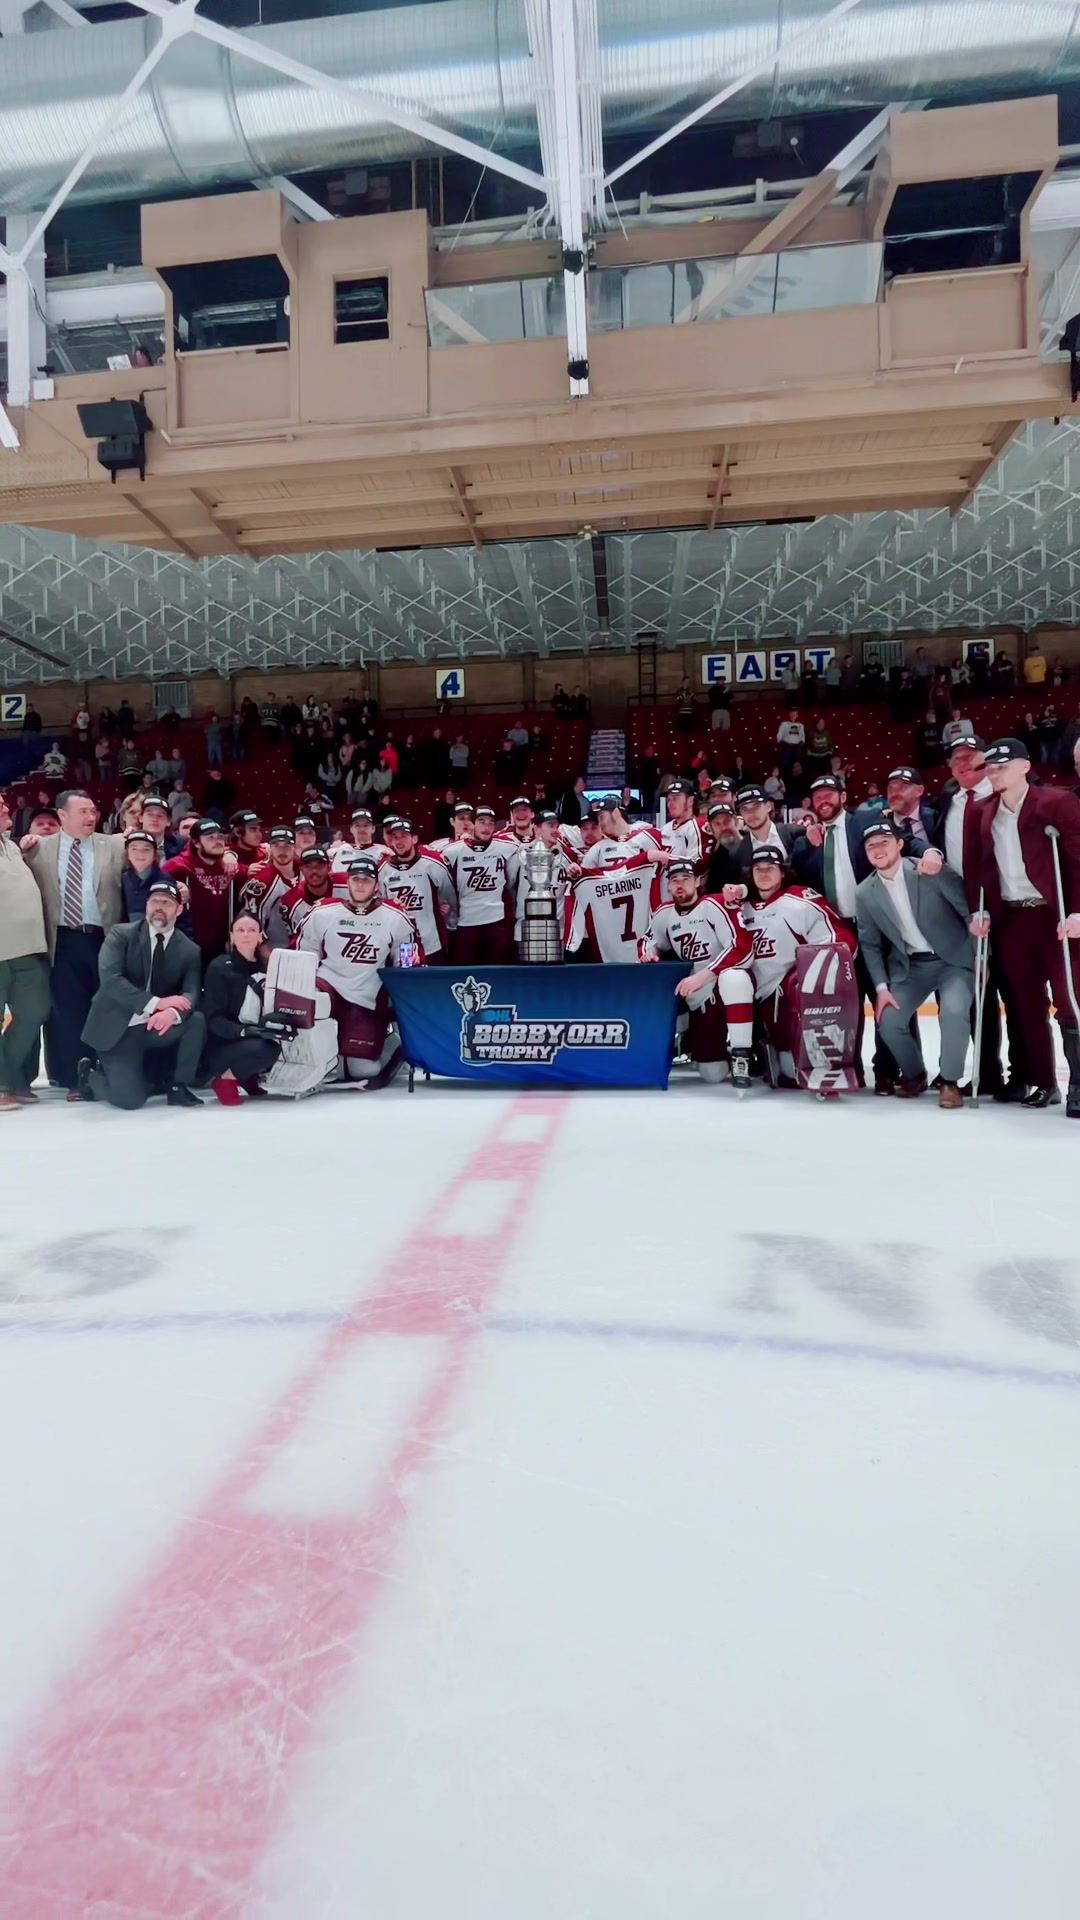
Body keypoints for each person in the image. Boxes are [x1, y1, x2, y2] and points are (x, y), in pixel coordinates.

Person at [966, 737, 1080, 1114]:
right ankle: (1045, 1082)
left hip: (1055, 914)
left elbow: (1079, 862)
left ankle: (1078, 1082)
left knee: (1070, 999)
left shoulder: (1058, 803)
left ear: (1025, 767)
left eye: (1001, 766)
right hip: (1013, 918)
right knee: (1025, 1004)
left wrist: (1078, 911)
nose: (994, 773)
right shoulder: (982, 812)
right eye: (990, 768)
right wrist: (977, 910)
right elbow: (978, 868)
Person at [855, 818, 976, 1109]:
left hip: (953, 959)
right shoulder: (864, 892)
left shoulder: (928, 871)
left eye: (884, 841)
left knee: (954, 1011)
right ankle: (915, 1073)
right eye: (871, 846)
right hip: (911, 967)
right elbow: (869, 944)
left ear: (899, 844)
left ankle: (949, 1081)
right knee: (889, 1021)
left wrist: (979, 957)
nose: (877, 849)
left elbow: (968, 912)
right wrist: (882, 988)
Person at [19, 788, 126, 1098]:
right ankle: (74, 1078)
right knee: (68, 1011)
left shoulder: (115, 844)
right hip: (62, 940)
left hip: (105, 939)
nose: (91, 817)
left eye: (93, 811)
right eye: (83, 812)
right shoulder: (38, 849)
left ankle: (108, 1069)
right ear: (62, 816)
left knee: (107, 1006)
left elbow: (152, 858)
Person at [726, 847, 858, 1095]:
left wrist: (812, 971)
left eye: (770, 869)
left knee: (790, 1070)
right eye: (758, 869)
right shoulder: (741, 908)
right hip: (756, 993)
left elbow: (839, 937)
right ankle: (744, 1053)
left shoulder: (800, 901)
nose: (764, 874)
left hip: (789, 991)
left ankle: (822, 1061)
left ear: (782, 873)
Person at [76, 880, 205, 1110]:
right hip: (117, 1029)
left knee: (195, 1021)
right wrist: (158, 1003)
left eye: (166, 903)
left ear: (178, 909)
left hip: (154, 1027)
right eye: (154, 901)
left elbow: (192, 992)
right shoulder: (121, 934)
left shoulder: (189, 950)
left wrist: (173, 1012)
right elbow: (111, 980)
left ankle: (179, 1087)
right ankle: (92, 1076)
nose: (159, 906)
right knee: (130, 1100)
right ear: (146, 905)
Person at [640, 857, 754, 1086]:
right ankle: (687, 1041)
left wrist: (705, 975)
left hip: (721, 985)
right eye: (674, 880)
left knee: (735, 978)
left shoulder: (715, 903)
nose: (680, 884)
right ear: (668, 885)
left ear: (698, 881)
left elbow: (742, 948)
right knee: (712, 1074)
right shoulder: (664, 913)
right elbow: (648, 940)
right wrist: (649, 954)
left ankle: (743, 1053)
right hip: (697, 992)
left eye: (686, 878)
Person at [300, 855, 413, 1084]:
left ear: (376, 885)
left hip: (366, 997)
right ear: (347, 882)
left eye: (366, 880)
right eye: (356, 879)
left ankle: (393, 1045)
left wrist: (397, 1001)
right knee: (310, 998)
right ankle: (313, 1057)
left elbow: (406, 964)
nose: (360, 884)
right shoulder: (322, 913)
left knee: (363, 1071)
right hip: (328, 986)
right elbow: (305, 955)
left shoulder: (396, 918)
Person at [201, 912, 296, 1105]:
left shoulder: (267, 968)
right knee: (266, 1050)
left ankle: (246, 1075)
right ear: (232, 936)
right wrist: (243, 1031)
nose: (246, 934)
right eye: (240, 930)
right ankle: (225, 1079)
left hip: (252, 1035)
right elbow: (212, 1018)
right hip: (221, 1043)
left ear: (261, 936)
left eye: (252, 930)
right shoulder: (219, 968)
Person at [0, 790, 50, 1110]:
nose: (6, 807)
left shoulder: (12, 847)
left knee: (34, 1012)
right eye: (0, 804)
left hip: (28, 948)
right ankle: (5, 1083)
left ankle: (10, 1077)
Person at [444, 806, 516, 963]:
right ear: (472, 824)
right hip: (466, 923)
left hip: (497, 923)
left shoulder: (507, 847)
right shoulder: (452, 851)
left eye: (491, 823)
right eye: (482, 822)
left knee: (497, 974)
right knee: (466, 976)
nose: (487, 827)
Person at [379, 817, 457, 961]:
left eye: (404, 836)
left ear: (414, 839)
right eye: (395, 837)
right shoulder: (384, 869)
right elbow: (381, 905)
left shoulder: (433, 864)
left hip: (433, 940)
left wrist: (443, 907)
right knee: (411, 980)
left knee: (436, 981)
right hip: (404, 943)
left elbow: (450, 896)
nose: (399, 841)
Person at [162, 819, 239, 962]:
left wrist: (232, 855)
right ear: (196, 843)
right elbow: (154, 885)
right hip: (188, 947)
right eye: (210, 838)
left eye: (220, 837)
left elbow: (254, 871)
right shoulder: (179, 866)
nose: (218, 841)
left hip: (222, 947)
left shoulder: (228, 866)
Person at [239, 826, 300, 949]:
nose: (282, 850)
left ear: (294, 847)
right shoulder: (262, 881)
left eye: (287, 845)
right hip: (277, 949)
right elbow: (251, 925)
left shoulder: (305, 870)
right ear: (270, 848)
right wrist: (265, 954)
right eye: (276, 845)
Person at [733, 785, 802, 872]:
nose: (751, 813)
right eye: (745, 809)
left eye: (756, 806)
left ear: (768, 806)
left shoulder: (794, 833)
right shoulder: (738, 852)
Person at [280, 845, 335, 941]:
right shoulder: (290, 902)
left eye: (320, 866)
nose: (314, 871)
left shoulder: (348, 885)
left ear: (329, 867)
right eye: (308, 866)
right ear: (301, 869)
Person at [121, 829, 166, 921]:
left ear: (154, 855)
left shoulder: (165, 881)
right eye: (134, 849)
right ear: (127, 854)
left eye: (146, 849)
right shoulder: (123, 879)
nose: (140, 854)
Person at [140, 792, 183, 862]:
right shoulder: (128, 843)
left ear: (168, 821)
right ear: (141, 818)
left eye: (160, 815)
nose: (154, 819)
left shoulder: (179, 846)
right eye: (150, 814)